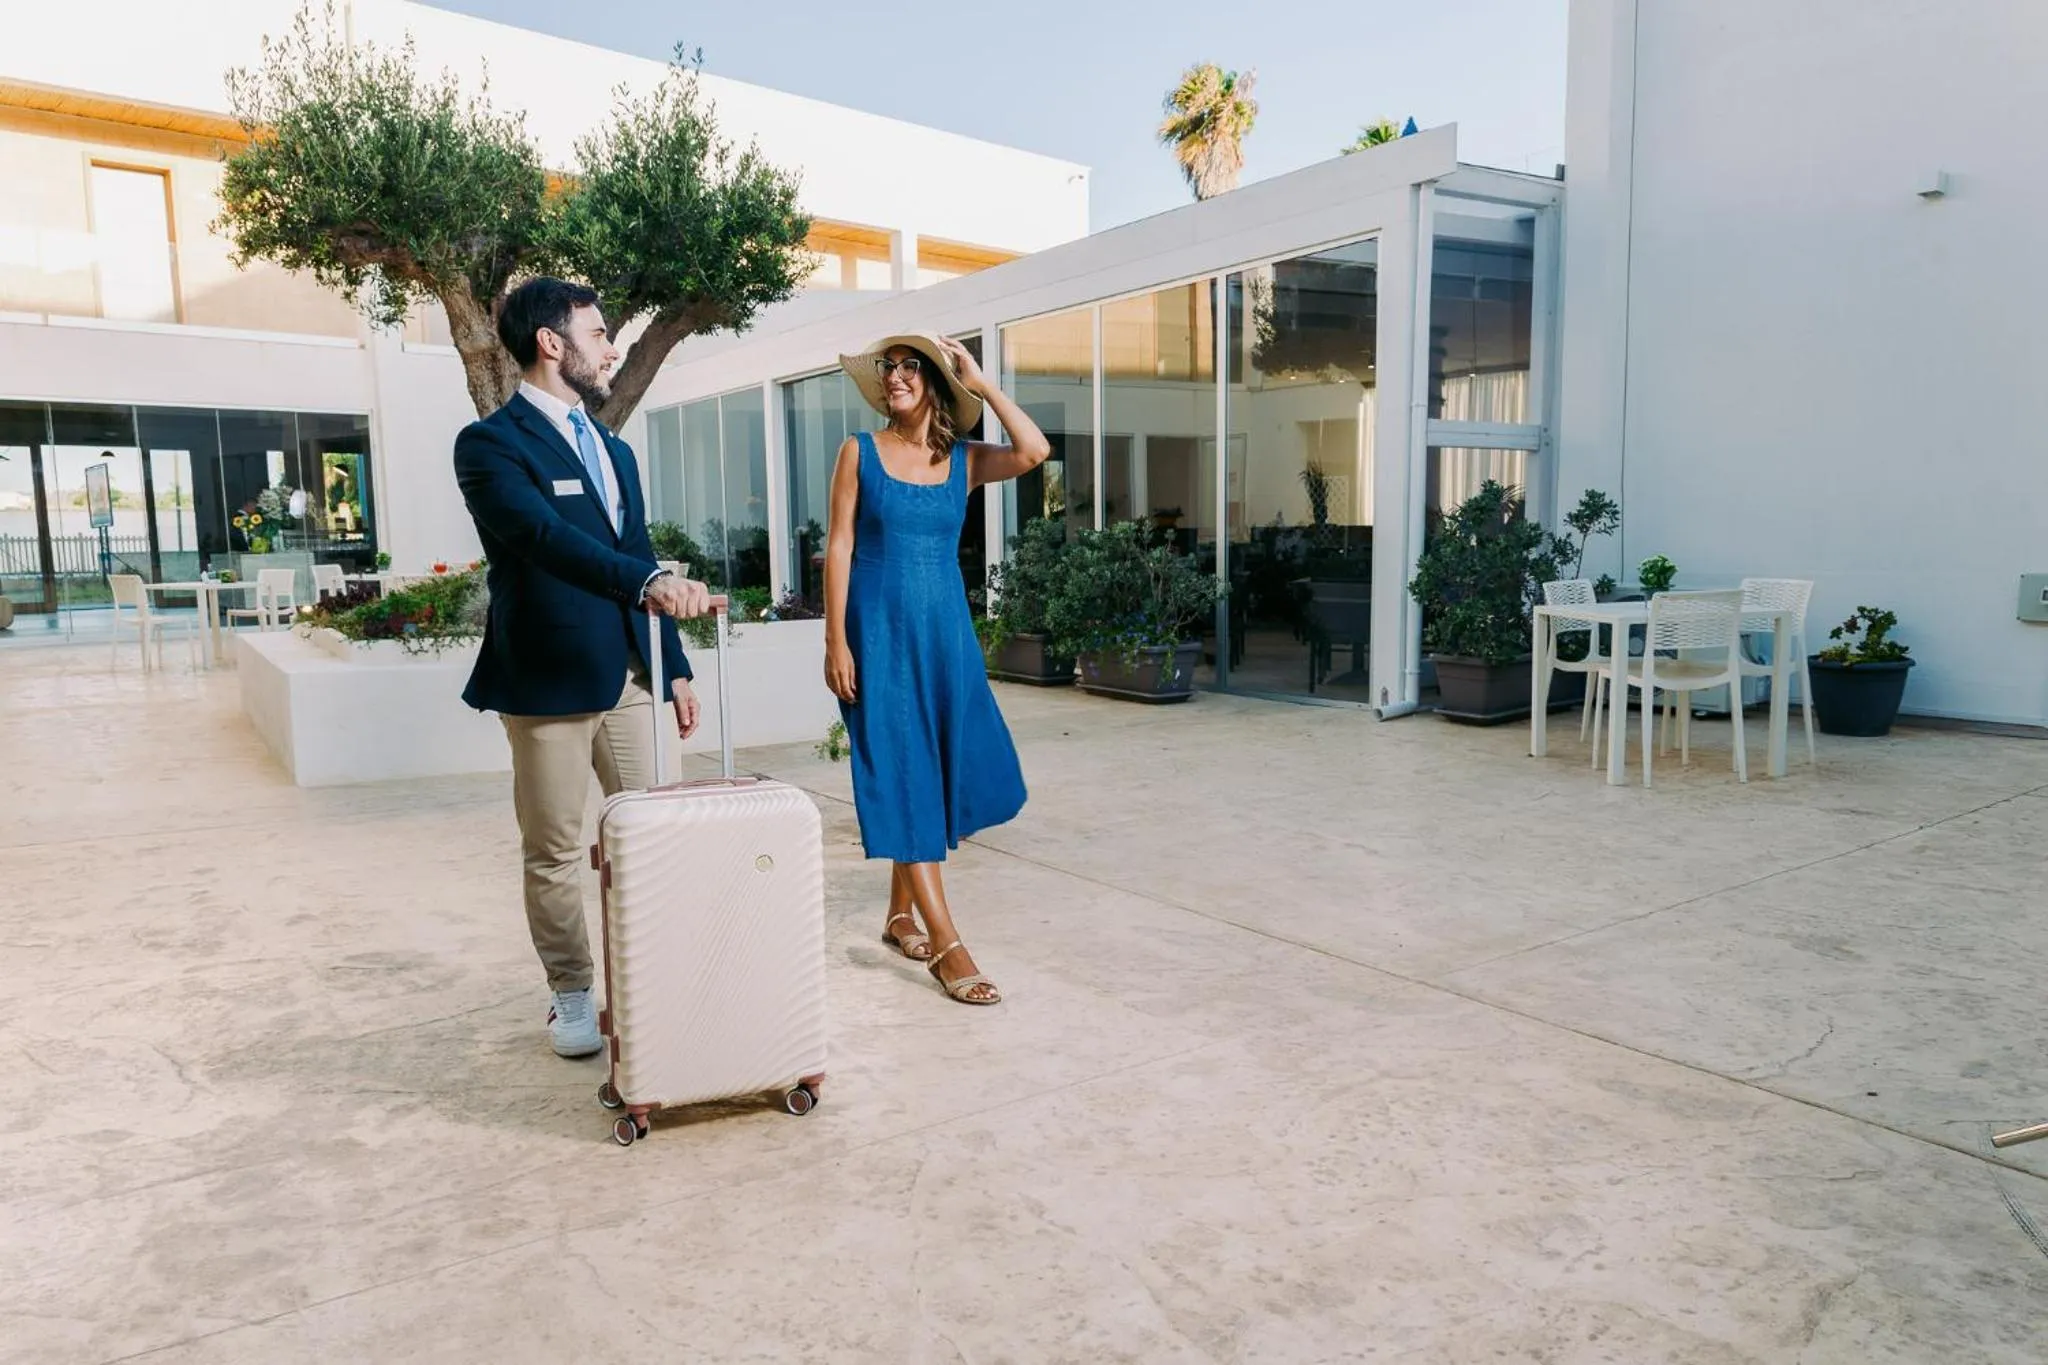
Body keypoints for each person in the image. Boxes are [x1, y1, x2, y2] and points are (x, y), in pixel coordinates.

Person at [454, 277, 714, 1057]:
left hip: (627, 678)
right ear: (551, 343)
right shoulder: (489, 446)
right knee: (557, 850)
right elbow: (540, 537)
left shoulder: (614, 449)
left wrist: (670, 664)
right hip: (545, 681)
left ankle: (658, 976)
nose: (613, 349)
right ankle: (571, 992)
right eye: (600, 334)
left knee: (653, 831)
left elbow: (634, 551)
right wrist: (642, 581)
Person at [824, 333, 1052, 1006]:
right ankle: (948, 945)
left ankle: (899, 916)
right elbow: (838, 544)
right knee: (901, 770)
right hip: (879, 634)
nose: (893, 377)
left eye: (907, 368)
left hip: (945, 634)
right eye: (887, 368)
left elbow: (1036, 450)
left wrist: (983, 384)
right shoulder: (857, 453)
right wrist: (835, 638)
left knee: (936, 770)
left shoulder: (963, 460)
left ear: (935, 385)